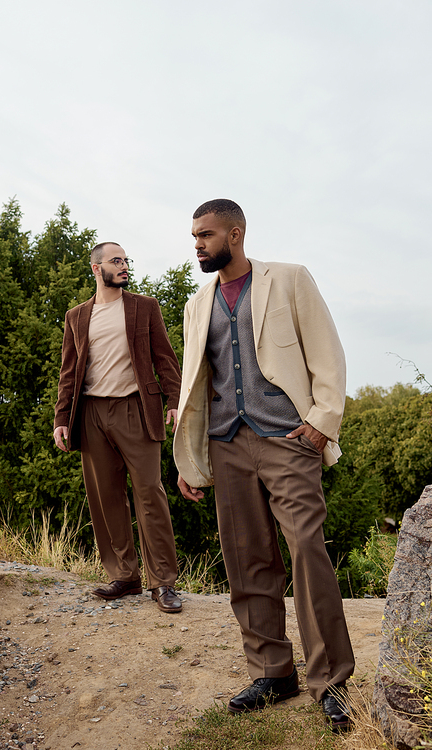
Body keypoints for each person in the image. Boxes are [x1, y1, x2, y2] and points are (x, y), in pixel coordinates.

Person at [174, 199, 355, 729]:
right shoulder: (196, 304)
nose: (198, 245)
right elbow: (195, 386)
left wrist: (323, 420)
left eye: (205, 235)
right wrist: (191, 459)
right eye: (194, 237)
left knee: (306, 550)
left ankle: (331, 680)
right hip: (227, 443)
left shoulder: (290, 279)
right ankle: (273, 671)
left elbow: (328, 353)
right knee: (247, 559)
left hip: (287, 439)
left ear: (235, 234)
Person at [54, 242, 183, 614]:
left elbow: (165, 359)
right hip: (91, 413)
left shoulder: (145, 308)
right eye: (116, 261)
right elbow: (68, 373)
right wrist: (62, 419)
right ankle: (124, 576)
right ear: (96, 268)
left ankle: (163, 583)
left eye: (126, 260)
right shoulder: (77, 316)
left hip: (136, 409)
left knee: (149, 495)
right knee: (105, 498)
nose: (124, 266)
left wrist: (174, 402)